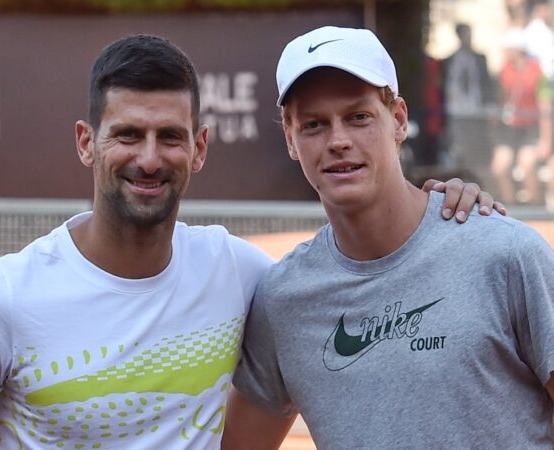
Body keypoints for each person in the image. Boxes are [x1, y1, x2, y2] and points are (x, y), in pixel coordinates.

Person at [0, 34, 501, 450]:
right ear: (85, 142)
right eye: (127, 134)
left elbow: (365, 278)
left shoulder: (248, 278)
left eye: (169, 136)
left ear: (199, 148)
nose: (148, 158)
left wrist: (444, 214)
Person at [223, 26, 554, 449]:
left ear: (398, 120)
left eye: (358, 117)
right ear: (290, 137)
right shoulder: (282, 299)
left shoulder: (506, 254)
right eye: (314, 125)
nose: (338, 140)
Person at [491, 27, 552, 204]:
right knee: (500, 166)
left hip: (530, 129)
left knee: (527, 164)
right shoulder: (505, 71)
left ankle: (536, 208)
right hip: (510, 129)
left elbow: (545, 107)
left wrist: (546, 141)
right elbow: (501, 99)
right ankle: (510, 208)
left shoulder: (537, 72)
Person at [441, 23, 495, 174]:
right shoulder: (451, 60)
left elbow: (486, 83)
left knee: (477, 147)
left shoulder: (479, 58)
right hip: (458, 112)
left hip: (477, 111)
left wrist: (489, 107)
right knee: (459, 147)